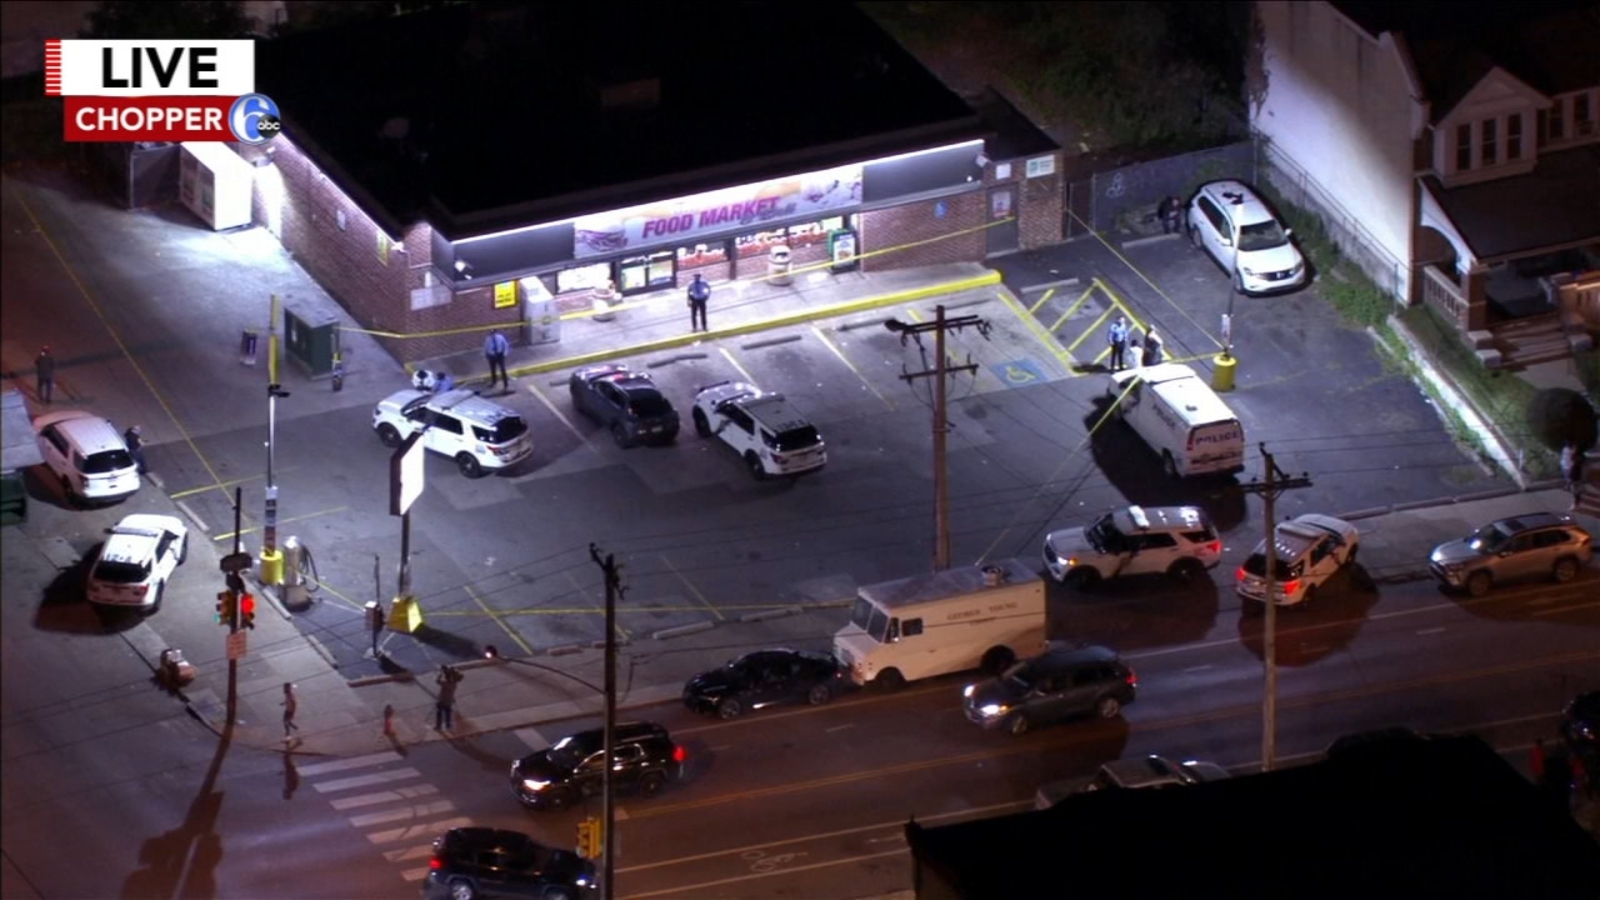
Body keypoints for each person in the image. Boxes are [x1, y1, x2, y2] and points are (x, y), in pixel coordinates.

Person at [435, 665, 461, 732]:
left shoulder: (445, 684)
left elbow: (437, 681)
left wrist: (441, 674)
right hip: (449, 701)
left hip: (442, 700)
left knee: (439, 713)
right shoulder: (454, 684)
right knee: (448, 714)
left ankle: (438, 726)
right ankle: (448, 726)